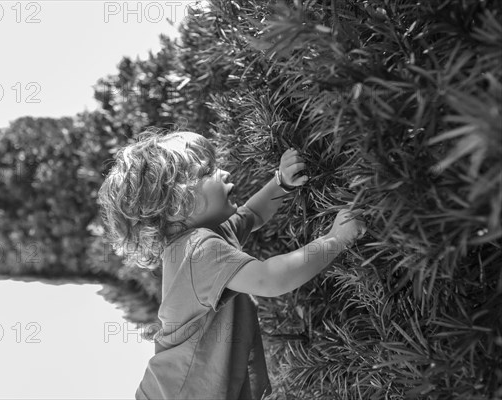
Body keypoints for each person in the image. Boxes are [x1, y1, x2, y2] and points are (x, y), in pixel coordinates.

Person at [98, 130, 366, 400]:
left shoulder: (207, 236)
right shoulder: (197, 250)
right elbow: (270, 279)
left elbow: (252, 214)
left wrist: (281, 183)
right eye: (208, 171)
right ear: (179, 204)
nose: (223, 172)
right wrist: (335, 239)